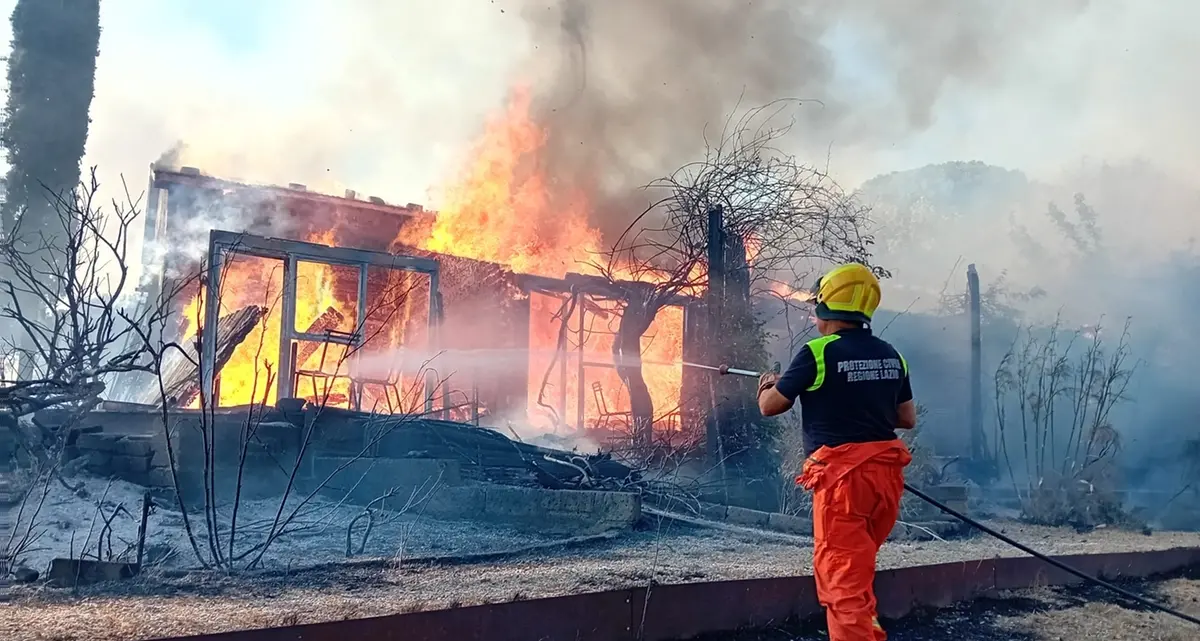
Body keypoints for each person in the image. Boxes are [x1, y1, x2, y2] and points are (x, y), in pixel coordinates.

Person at [756, 262, 916, 641]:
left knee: (841, 584)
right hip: (885, 482)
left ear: (826, 308)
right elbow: (906, 418)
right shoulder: (892, 354)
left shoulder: (817, 354)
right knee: (856, 575)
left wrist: (767, 386)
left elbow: (770, 407)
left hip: (843, 485)